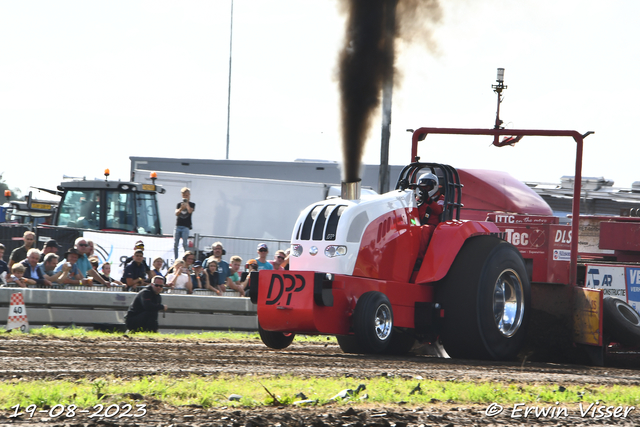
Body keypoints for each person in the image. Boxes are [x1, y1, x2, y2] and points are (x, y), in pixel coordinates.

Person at [415, 172, 444, 262]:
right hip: (416, 223)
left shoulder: (441, 198)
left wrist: (429, 200)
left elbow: (439, 210)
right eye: (422, 188)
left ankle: (419, 258)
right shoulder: (417, 199)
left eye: (426, 188)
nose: (424, 190)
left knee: (424, 229)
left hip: (433, 226)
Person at [174, 187, 195, 259]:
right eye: (184, 195)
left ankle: (186, 258)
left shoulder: (192, 204)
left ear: (189, 195)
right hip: (178, 225)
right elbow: (176, 213)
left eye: (186, 195)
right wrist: (181, 208)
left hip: (186, 226)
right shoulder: (179, 204)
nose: (185, 197)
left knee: (185, 244)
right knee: (175, 244)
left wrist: (187, 203)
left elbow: (190, 211)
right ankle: (176, 258)